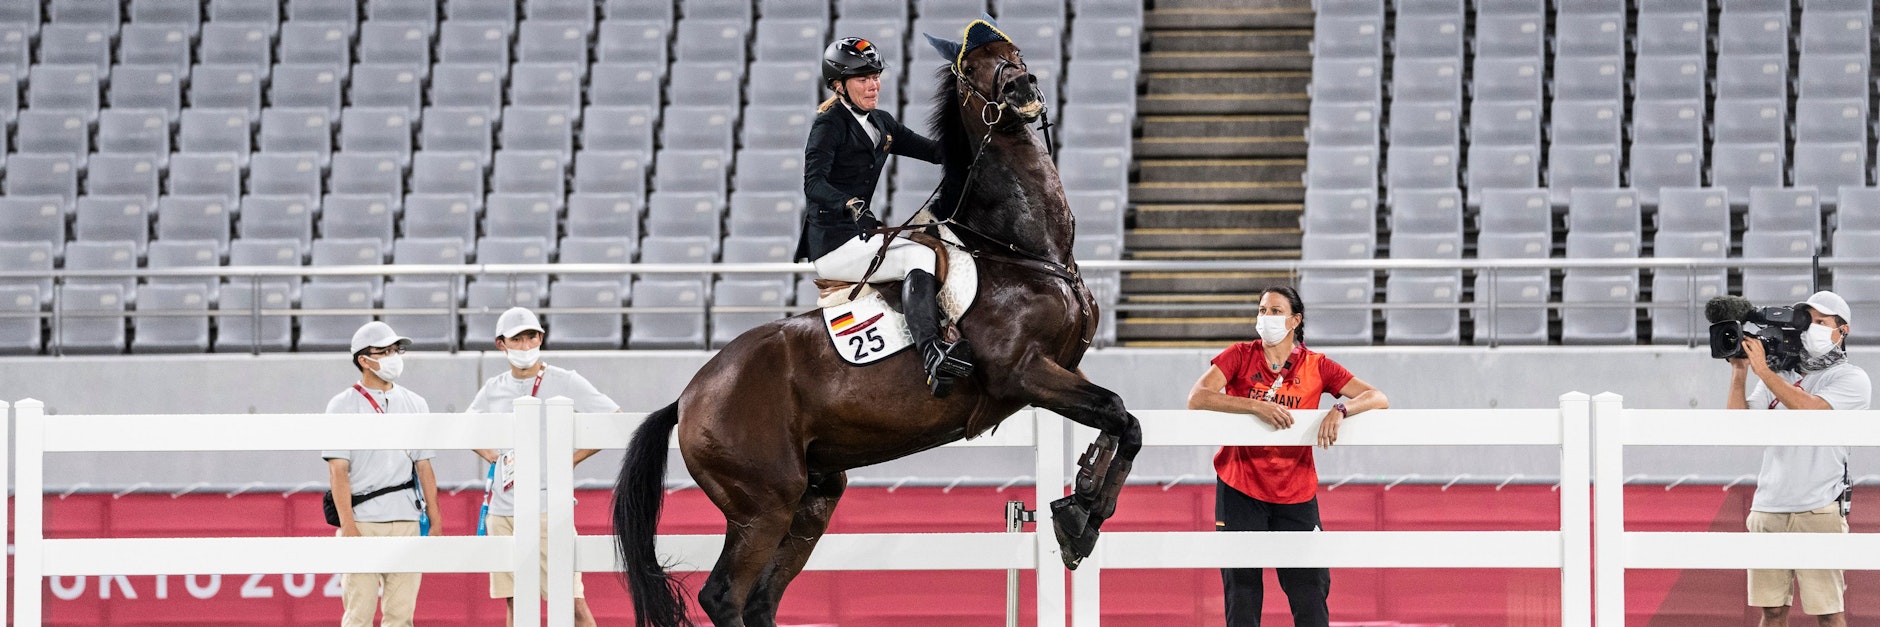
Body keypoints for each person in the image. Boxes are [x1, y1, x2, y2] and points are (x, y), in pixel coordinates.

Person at [1184, 286, 1389, 627]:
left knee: (1310, 590)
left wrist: (1340, 408)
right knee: (1242, 592)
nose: (1266, 317)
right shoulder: (1238, 355)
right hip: (1240, 486)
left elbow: (1377, 396)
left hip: (1295, 492)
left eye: (1276, 311)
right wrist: (1255, 406)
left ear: (1295, 320)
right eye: (1262, 310)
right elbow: (1197, 397)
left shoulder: (1317, 366)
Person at [795, 36, 971, 396]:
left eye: (875, 76)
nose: (873, 84)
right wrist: (851, 204)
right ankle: (933, 354)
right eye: (863, 79)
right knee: (919, 255)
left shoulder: (881, 123)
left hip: (863, 237)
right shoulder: (829, 125)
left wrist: (971, 132)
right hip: (834, 245)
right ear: (838, 86)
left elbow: (936, 153)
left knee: (933, 243)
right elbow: (814, 183)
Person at [1727, 290, 1870, 627]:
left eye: (1822, 322)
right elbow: (1737, 428)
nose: (1813, 328)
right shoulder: (1780, 374)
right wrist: (1740, 371)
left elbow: (1812, 412)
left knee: (1828, 612)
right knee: (1772, 611)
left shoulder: (1851, 378)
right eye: (1809, 321)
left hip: (1819, 507)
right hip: (1768, 506)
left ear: (1842, 330)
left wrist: (1764, 371)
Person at [468, 307, 617, 627]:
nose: (525, 345)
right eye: (517, 339)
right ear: (501, 344)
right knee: (516, 604)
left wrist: (568, 459)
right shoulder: (492, 387)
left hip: (550, 507)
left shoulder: (566, 380)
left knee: (573, 603)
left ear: (541, 338)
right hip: (503, 510)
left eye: (531, 337)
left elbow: (613, 420)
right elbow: (467, 429)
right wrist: (495, 458)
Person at [322, 321, 443, 627]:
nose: (393, 357)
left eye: (395, 350)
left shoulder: (416, 403)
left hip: (406, 518)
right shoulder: (342, 405)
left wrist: (436, 518)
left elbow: (424, 465)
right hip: (361, 519)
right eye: (384, 351)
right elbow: (338, 472)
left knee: (401, 616)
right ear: (364, 359)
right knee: (358, 615)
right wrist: (348, 525)